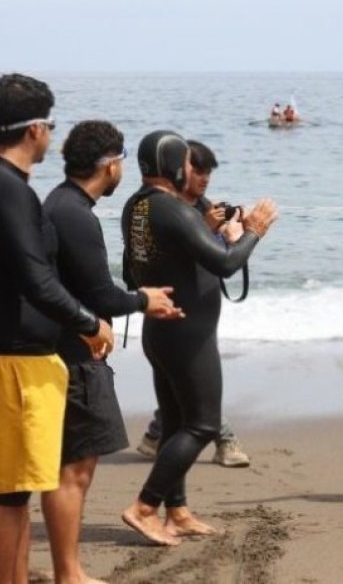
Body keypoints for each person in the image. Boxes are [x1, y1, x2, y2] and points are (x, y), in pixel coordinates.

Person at [0, 73, 115, 584]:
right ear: (34, 130)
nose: (50, 133)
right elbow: (36, 279)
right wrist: (89, 322)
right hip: (10, 363)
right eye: (49, 123)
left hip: (8, 356)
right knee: (6, 497)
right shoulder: (5, 187)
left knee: (14, 493)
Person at [119, 131, 277, 545]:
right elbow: (227, 263)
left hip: (162, 330)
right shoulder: (172, 210)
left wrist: (202, 230)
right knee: (204, 424)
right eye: (189, 165)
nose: (195, 173)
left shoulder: (137, 207)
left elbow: (134, 269)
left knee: (174, 424)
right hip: (188, 335)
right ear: (174, 166)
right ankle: (144, 506)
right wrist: (254, 232)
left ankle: (178, 511)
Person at [41, 120, 181, 583]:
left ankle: (68, 570)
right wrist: (145, 299)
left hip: (64, 346)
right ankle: (69, 573)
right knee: (74, 470)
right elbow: (101, 296)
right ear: (109, 164)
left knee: (67, 468)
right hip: (74, 356)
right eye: (120, 159)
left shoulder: (60, 203)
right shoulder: (75, 214)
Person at [136, 140, 252, 467]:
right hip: (177, 320)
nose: (203, 178)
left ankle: (155, 436)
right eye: (197, 170)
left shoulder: (199, 206)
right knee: (201, 407)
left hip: (194, 318)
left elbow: (215, 260)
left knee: (180, 393)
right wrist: (244, 234)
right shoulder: (166, 210)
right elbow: (175, 258)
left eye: (208, 172)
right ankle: (224, 441)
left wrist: (228, 236)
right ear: (179, 169)